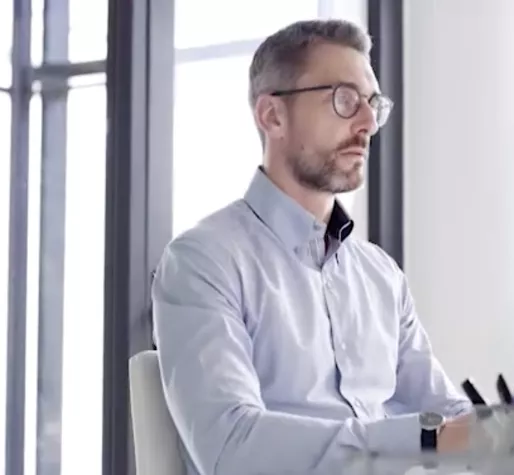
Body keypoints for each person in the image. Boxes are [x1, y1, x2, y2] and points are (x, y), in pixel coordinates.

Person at [151, 19, 473, 475]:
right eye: (345, 100)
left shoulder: (380, 275)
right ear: (272, 116)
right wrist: (425, 440)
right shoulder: (203, 261)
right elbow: (230, 448)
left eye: (372, 104)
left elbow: (450, 413)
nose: (367, 124)